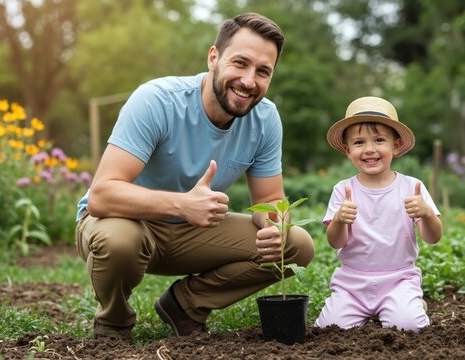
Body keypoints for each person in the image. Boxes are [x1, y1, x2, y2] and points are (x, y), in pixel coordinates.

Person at [75, 12, 315, 342]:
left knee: (296, 245)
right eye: (240, 63)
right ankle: (114, 321)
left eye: (263, 71)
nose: (248, 80)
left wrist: (276, 226)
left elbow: (270, 200)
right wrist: (182, 205)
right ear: (213, 57)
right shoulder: (157, 100)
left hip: (193, 232)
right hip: (125, 221)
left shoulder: (266, 118)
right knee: (120, 241)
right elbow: (102, 196)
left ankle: (185, 305)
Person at [314, 96, 442, 332]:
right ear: (347, 149)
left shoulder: (411, 187)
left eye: (379, 140)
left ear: (395, 145)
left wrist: (426, 214)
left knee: (408, 327)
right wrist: (340, 220)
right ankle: (369, 309)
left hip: (398, 280)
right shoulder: (343, 190)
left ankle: (409, 303)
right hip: (352, 284)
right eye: (359, 142)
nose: (369, 149)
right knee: (329, 328)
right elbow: (335, 242)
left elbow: (433, 237)